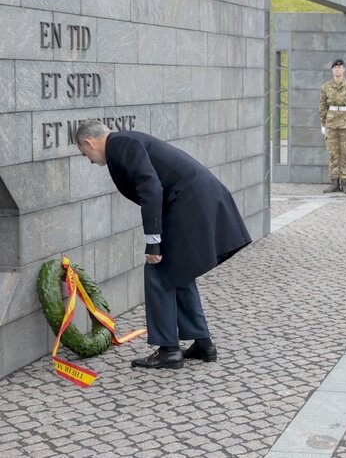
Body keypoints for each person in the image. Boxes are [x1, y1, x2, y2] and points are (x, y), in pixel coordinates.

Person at [75, 120, 251, 369]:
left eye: (85, 154)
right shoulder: (125, 142)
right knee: (178, 272)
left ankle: (168, 350)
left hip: (189, 202)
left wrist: (153, 243)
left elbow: (151, 189)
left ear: (89, 142)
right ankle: (203, 343)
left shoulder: (120, 145)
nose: (89, 160)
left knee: (158, 272)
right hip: (194, 199)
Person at [320, 59, 346, 194]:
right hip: (331, 124)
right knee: (332, 154)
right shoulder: (326, 87)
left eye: (340, 68)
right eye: (335, 68)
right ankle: (334, 183)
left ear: (344, 70)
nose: (337, 70)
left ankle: (345, 182)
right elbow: (322, 106)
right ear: (332, 70)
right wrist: (323, 124)